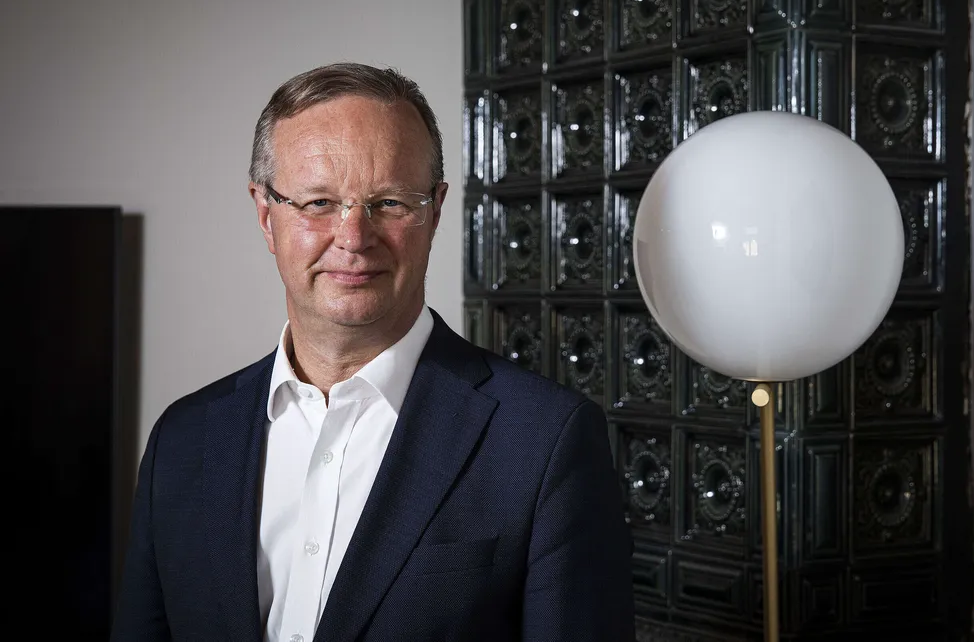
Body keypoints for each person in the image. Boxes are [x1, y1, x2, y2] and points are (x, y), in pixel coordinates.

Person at [111, 63, 635, 641]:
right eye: (318, 202)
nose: (354, 237)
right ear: (265, 215)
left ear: (435, 211)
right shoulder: (183, 440)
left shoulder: (545, 442)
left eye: (389, 203)